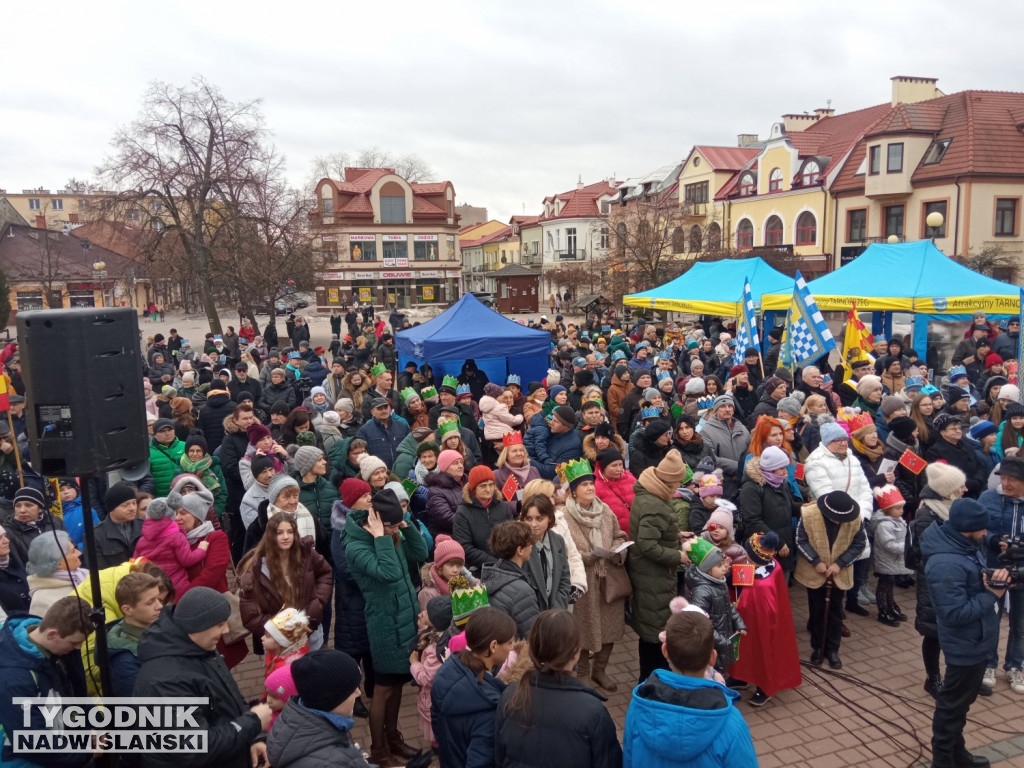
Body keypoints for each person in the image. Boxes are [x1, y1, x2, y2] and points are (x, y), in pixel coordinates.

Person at [134, 586, 274, 768]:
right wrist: (252, 723)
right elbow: (192, 748)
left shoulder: (202, 647)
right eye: (219, 624)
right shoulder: (165, 682)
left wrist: (252, 739)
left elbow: (230, 698)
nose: (226, 631)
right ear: (196, 627)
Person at [344, 489, 428, 765]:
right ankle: (379, 751)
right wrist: (382, 538)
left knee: (398, 685)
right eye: (390, 524)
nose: (395, 529)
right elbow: (389, 574)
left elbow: (421, 552)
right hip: (385, 624)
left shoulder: (394, 530)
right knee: (383, 689)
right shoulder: (356, 546)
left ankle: (394, 739)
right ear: (376, 521)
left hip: (406, 619)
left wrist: (404, 526)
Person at [921, 498, 1006, 768]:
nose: (985, 533)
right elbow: (954, 614)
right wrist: (992, 594)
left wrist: (989, 570)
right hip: (964, 645)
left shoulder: (962, 544)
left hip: (977, 641)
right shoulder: (946, 563)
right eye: (982, 529)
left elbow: (968, 581)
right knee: (951, 707)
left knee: (960, 705)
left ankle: (957, 754)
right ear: (968, 528)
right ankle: (944, 760)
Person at [623, 610, 757, 768]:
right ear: (712, 658)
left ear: (665, 651)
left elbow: (628, 760)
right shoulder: (731, 723)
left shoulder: (638, 707)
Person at [495, 609, 622, 768]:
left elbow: (499, 756)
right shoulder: (593, 712)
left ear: (532, 647)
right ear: (575, 652)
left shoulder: (510, 695)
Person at [0, 596, 94, 767]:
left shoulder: (61, 650)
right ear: (52, 634)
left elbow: (76, 692)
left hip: (66, 746)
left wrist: (94, 723)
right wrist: (88, 753)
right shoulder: (14, 679)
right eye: (75, 642)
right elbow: (32, 742)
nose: (78, 647)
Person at [561, 459, 629, 692]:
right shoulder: (564, 517)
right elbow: (564, 548)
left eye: (591, 483)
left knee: (609, 628)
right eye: (584, 485)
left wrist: (618, 551)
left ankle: (600, 670)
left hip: (607, 579)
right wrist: (583, 557)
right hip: (583, 581)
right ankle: (582, 672)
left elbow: (619, 535)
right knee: (582, 628)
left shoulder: (605, 510)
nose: (590, 488)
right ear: (573, 490)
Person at [628, 449, 690, 682]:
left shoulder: (650, 494)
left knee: (652, 628)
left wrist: (676, 534)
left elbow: (654, 533)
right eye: (677, 482)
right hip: (652, 575)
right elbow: (648, 545)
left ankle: (655, 672)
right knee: (653, 631)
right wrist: (678, 556)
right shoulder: (655, 503)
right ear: (668, 480)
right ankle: (650, 678)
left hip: (651, 574)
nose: (678, 487)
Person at [431, 606, 516, 768]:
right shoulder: (488, 709)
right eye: (510, 642)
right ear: (493, 646)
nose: (512, 647)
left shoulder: (447, 670)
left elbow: (437, 723)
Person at [267, 649, 376, 768]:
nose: (358, 693)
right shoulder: (334, 761)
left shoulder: (293, 720)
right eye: (351, 690)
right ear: (331, 700)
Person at [239, 512, 333, 650]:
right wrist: (282, 629)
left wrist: (317, 602)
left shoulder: (306, 554)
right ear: (270, 536)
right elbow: (249, 616)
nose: (286, 537)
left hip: (310, 638)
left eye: (290, 532)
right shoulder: (257, 569)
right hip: (278, 645)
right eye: (279, 532)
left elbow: (325, 572)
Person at [795, 490, 867, 670]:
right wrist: (816, 561)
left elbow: (859, 544)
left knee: (836, 611)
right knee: (817, 610)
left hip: (839, 572)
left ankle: (833, 649)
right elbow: (800, 539)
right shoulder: (809, 514)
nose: (838, 522)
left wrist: (839, 564)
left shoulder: (855, 519)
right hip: (815, 572)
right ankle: (818, 647)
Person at [731, 532, 801, 707]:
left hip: (762, 625)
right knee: (745, 649)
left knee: (762, 652)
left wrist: (735, 605)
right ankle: (742, 676)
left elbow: (749, 605)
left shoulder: (762, 584)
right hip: (750, 621)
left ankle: (765, 686)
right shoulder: (770, 564)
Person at [978, 455, 1024, 695]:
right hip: (994, 567)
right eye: (1003, 477)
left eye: (1012, 479)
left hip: (1023, 571)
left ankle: (1015, 665)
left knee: (1020, 623)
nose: (1005, 483)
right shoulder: (988, 497)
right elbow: (978, 529)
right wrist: (994, 540)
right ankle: (988, 664)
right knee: (991, 619)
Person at [682, 537, 745, 677]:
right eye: (719, 565)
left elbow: (727, 605)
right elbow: (702, 623)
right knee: (712, 674)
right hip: (711, 645)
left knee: (721, 671)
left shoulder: (718, 581)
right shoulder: (702, 591)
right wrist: (722, 641)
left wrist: (739, 622)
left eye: (724, 564)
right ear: (707, 570)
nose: (725, 568)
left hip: (722, 639)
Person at [739, 444, 798, 579]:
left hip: (784, 544)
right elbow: (753, 521)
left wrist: (804, 508)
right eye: (781, 468)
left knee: (781, 589)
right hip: (762, 550)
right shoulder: (751, 488)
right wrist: (779, 542)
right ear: (771, 469)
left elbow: (787, 507)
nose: (785, 472)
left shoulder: (779, 482)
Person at [134, 496, 210, 598]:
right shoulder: (176, 537)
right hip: (176, 588)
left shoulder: (142, 540)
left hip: (152, 589)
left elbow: (136, 562)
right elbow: (187, 560)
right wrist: (201, 550)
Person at [106, 572, 163, 696]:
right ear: (128, 609)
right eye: (150, 602)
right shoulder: (125, 662)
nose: (159, 606)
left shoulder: (163, 627)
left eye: (158, 598)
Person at [482, 520, 540, 638]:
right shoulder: (522, 590)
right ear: (520, 550)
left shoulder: (490, 574)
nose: (532, 546)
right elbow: (533, 637)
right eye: (529, 544)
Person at [453, 466, 513, 575]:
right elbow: (465, 546)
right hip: (479, 569)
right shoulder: (463, 512)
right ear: (473, 488)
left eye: (491, 485)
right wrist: (494, 563)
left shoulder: (503, 507)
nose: (489, 489)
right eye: (483, 486)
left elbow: (513, 535)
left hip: (507, 564)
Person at [519, 494, 572, 612]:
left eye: (539, 518)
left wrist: (557, 608)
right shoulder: (520, 544)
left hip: (554, 612)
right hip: (530, 613)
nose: (533, 524)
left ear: (549, 518)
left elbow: (564, 578)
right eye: (529, 519)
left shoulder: (557, 540)